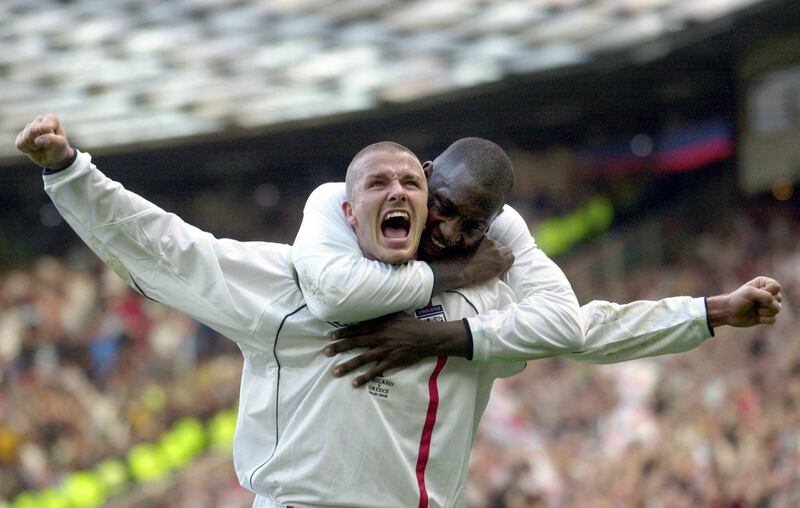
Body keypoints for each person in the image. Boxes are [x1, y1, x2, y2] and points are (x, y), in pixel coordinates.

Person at [16, 116, 781, 507]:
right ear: (348, 212)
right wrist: (70, 172)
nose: (404, 198)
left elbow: (588, 329)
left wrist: (708, 311)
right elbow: (172, 251)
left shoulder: (484, 300)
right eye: (378, 184)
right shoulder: (296, 285)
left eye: (413, 185)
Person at [292, 137, 783, 385]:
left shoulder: (495, 250)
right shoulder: (341, 214)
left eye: (470, 225)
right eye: (440, 208)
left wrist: (711, 312)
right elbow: (334, 291)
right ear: (424, 178)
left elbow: (575, 328)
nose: (447, 232)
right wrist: (453, 274)